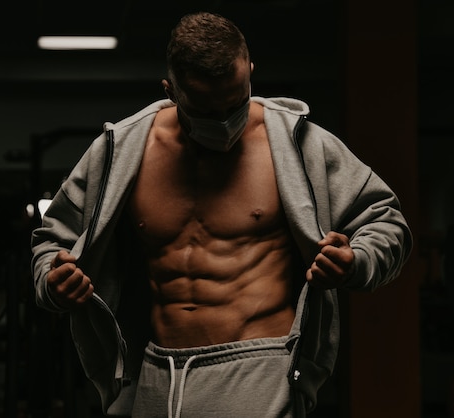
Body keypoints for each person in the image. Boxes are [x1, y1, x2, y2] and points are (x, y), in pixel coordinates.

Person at [31, 11, 412, 418]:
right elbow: (53, 240)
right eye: (206, 112)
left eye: (236, 103)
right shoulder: (122, 151)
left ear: (249, 71)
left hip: (261, 367)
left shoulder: (299, 145)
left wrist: (356, 261)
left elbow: (385, 220)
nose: (225, 122)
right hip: (159, 372)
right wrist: (53, 282)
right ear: (171, 91)